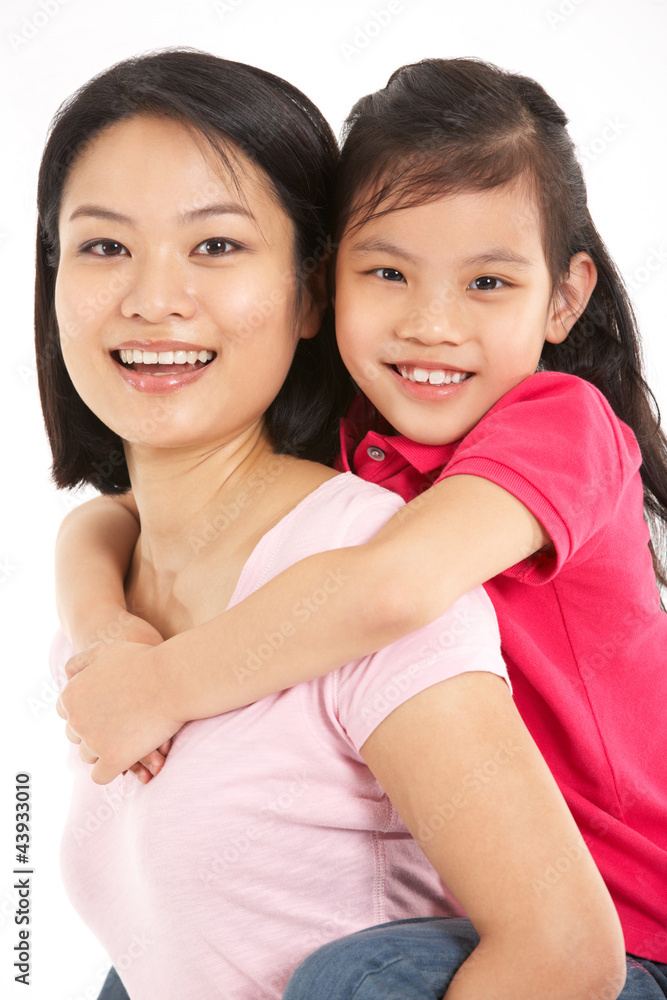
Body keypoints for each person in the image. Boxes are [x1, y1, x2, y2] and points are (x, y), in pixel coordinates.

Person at [55, 57, 667, 997]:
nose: (429, 324)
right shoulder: (363, 439)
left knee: (353, 976)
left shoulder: (562, 426)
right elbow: (108, 519)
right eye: (387, 272)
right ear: (330, 282)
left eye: (488, 283)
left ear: (565, 296)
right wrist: (105, 635)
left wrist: (164, 684)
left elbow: (389, 587)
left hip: (631, 931)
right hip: (467, 900)